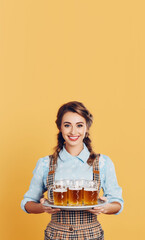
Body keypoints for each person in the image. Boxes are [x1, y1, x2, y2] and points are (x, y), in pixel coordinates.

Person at [21, 101, 123, 239]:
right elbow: (27, 204)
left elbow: (117, 203)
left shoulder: (103, 162)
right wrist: (43, 208)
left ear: (86, 128)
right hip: (56, 235)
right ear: (60, 128)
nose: (73, 132)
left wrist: (105, 207)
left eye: (79, 125)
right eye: (67, 125)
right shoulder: (46, 163)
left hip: (91, 235)